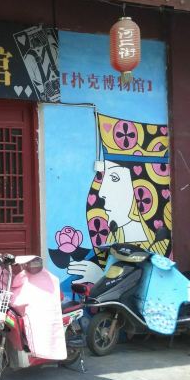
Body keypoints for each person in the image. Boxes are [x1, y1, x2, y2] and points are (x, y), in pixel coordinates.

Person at [68, 113, 171, 284]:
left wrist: (100, 277)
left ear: (142, 188)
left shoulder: (160, 247)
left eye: (114, 178)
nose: (102, 192)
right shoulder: (112, 240)